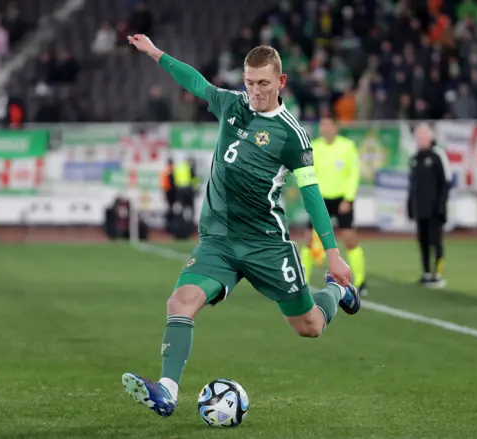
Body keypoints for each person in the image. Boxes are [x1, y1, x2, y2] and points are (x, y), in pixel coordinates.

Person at [122, 34, 360, 418]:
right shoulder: (231, 104)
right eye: (249, 82)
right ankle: (165, 389)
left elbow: (312, 196)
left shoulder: (292, 135)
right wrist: (156, 53)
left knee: (310, 326)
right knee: (180, 302)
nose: (254, 91)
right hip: (218, 241)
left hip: (266, 244)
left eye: (263, 83)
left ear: (280, 82)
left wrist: (332, 255)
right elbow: (197, 83)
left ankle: (336, 292)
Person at [300, 117, 368, 296]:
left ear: (335, 127)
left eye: (329, 125)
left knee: (350, 239)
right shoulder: (314, 147)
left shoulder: (347, 146)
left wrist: (349, 198)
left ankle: (360, 282)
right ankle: (302, 283)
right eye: (322, 125)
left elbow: (354, 173)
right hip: (320, 200)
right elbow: (308, 173)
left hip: (341, 200)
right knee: (309, 239)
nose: (325, 129)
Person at [407, 123, 452, 288]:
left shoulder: (438, 156)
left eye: (423, 137)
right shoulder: (414, 159)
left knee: (436, 241)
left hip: (434, 209)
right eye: (418, 137)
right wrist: (410, 206)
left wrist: (441, 205)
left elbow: (446, 182)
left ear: (430, 137)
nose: (420, 140)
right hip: (420, 209)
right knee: (423, 242)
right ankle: (426, 273)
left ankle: (438, 274)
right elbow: (412, 186)